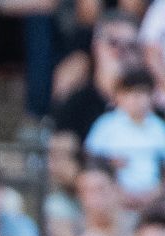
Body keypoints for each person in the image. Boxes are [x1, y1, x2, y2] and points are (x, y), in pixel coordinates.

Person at [86, 67, 165, 209]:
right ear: (118, 96)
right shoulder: (106, 125)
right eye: (129, 93)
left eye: (142, 93)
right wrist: (110, 164)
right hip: (114, 201)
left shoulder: (160, 128)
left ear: (152, 96)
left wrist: (155, 194)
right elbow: (90, 161)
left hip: (152, 203)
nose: (136, 99)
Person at [53, 11, 148, 142]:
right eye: (113, 43)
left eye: (131, 46)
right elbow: (62, 150)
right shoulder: (76, 105)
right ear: (96, 46)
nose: (121, 52)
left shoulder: (149, 105)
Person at [50, 159, 139, 236]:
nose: (94, 198)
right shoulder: (71, 228)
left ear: (115, 189)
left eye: (101, 189)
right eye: (86, 191)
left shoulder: (137, 224)